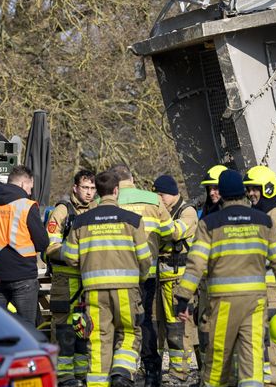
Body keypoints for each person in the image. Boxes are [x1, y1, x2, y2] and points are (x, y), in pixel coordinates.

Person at [173, 170, 276, 387]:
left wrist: (183, 298)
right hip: (255, 302)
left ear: (224, 193)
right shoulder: (264, 221)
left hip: (223, 304)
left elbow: (196, 265)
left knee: (219, 358)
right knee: (252, 357)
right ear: (243, 192)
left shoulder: (209, 223)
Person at [63, 170, 153, 387]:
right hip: (126, 290)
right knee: (130, 332)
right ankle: (121, 374)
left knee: (97, 338)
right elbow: (145, 259)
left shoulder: (81, 221)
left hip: (93, 292)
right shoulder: (133, 220)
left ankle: (97, 383)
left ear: (97, 193)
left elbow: (70, 258)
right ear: (116, 191)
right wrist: (139, 279)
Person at [112, 164, 186, 387]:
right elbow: (168, 232)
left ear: (114, 185)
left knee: (119, 323)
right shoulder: (153, 200)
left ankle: (121, 371)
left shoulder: (106, 201)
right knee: (145, 322)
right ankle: (152, 373)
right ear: (132, 178)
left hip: (116, 274)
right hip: (148, 271)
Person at [45, 170, 97, 387]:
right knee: (64, 326)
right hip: (64, 279)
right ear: (75, 188)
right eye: (85, 187)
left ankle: (81, 373)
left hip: (88, 279)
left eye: (93, 188)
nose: (89, 192)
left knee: (85, 326)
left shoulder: (97, 210)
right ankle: (64, 375)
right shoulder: (61, 211)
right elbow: (51, 247)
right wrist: (75, 254)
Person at [0, 165, 49, 326]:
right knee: (27, 329)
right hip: (22, 274)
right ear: (23, 185)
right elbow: (42, 242)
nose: (30, 192)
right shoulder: (26, 205)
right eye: (30, 187)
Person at [244, 165, 276, 384]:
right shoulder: (261, 213)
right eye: (249, 189)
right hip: (259, 284)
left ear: (269, 189)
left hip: (272, 285)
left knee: (269, 337)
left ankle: (271, 379)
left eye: (256, 189)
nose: (251, 193)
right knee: (263, 335)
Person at [153, 174, 199, 384]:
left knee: (180, 328)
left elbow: (173, 233)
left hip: (180, 280)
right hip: (161, 279)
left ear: (172, 193)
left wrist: (157, 215)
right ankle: (165, 370)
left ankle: (180, 372)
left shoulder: (187, 211)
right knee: (162, 327)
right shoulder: (165, 209)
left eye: (161, 194)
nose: (159, 198)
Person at [195, 163, 227, 373]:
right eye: (209, 189)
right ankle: (207, 374)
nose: (212, 192)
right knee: (205, 327)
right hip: (206, 281)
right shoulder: (205, 212)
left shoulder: (231, 213)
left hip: (224, 282)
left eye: (216, 188)